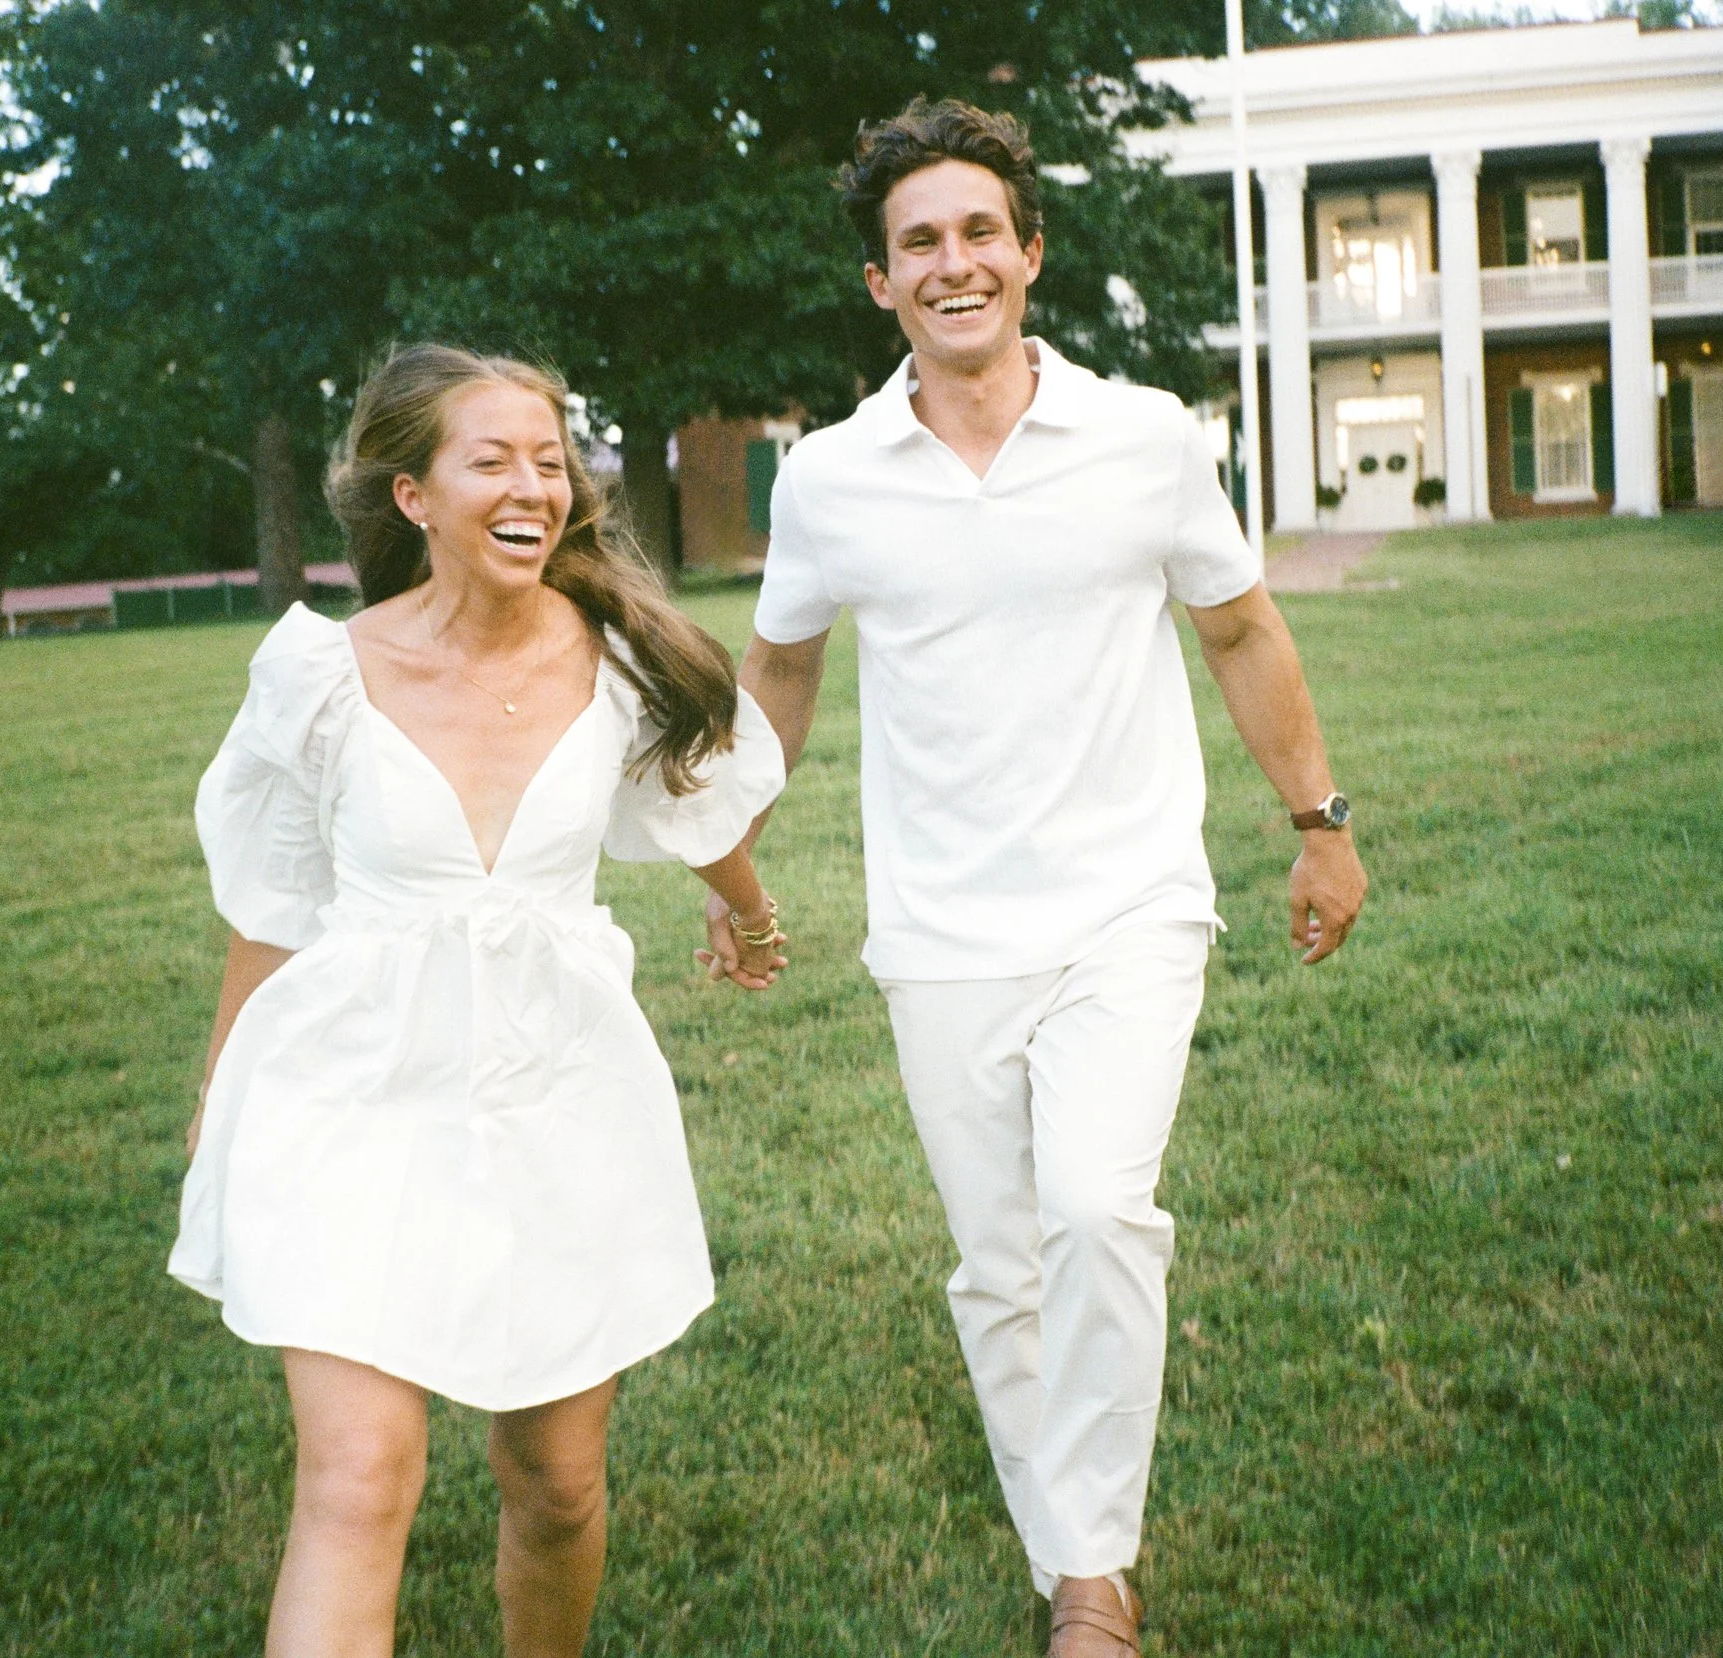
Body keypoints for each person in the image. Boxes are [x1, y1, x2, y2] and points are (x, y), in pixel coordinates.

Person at [716, 100, 1370, 1656]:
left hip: (1128, 903)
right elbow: (783, 673)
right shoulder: (826, 479)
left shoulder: (1145, 434)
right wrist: (725, 860)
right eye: (918, 243)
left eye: (980, 232)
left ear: (1030, 251)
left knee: (1094, 1208)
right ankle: (1070, 1544)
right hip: (938, 930)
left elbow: (1239, 630)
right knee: (1001, 1262)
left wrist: (1321, 821)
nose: (955, 264)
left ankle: (1092, 1578)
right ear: (880, 283)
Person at [172, 343, 789, 1658]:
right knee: (357, 1479)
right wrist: (221, 1088)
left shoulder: (621, 661)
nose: (536, 484)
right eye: (493, 458)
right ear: (414, 496)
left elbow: (699, 798)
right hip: (352, 1094)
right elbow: (272, 905)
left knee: (556, 1484)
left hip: (558, 1093)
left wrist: (746, 907)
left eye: (550, 459)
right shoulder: (317, 678)